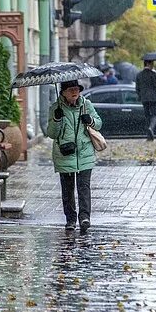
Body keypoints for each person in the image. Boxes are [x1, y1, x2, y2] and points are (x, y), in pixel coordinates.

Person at [46, 80, 103, 234]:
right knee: (68, 190)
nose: (74, 92)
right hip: (65, 154)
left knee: (84, 187)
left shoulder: (86, 105)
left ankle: (84, 217)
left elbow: (99, 123)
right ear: (63, 92)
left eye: (77, 89)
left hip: (85, 153)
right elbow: (51, 133)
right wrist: (57, 120)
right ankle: (70, 220)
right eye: (71, 89)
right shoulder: (55, 108)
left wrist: (90, 120)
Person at [135, 61, 156, 141]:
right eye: (152, 64)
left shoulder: (139, 75)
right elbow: (155, 84)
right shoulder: (152, 74)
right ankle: (151, 128)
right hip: (153, 98)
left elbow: (137, 88)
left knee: (147, 116)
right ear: (148, 64)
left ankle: (149, 136)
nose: (153, 66)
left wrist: (140, 96)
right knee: (154, 115)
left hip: (144, 99)